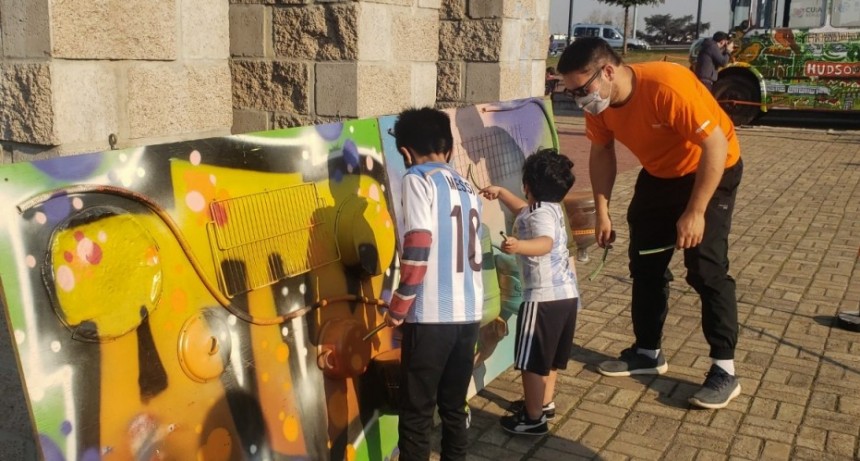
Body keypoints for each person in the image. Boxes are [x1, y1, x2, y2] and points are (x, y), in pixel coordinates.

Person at [557, 37, 743, 409]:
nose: (579, 100)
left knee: (705, 268)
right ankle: (647, 352)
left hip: (712, 171)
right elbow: (602, 152)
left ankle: (724, 368)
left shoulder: (666, 85)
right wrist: (603, 210)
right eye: (572, 92)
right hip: (660, 176)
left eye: (582, 89)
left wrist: (695, 212)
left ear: (607, 71)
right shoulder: (601, 104)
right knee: (645, 263)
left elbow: (715, 145)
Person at [387, 107, 483, 460]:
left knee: (417, 412)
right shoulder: (467, 186)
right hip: (468, 313)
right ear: (449, 147)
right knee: (454, 406)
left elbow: (419, 242)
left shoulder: (417, 178)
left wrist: (400, 304)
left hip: (430, 317)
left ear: (405, 151)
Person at [480, 149, 580, 436]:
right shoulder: (550, 208)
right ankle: (545, 404)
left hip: (542, 298)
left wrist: (519, 246)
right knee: (548, 358)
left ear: (528, 185)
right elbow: (522, 210)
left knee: (532, 361)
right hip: (566, 296)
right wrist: (500, 192)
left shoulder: (540, 218)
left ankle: (533, 418)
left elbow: (545, 243)